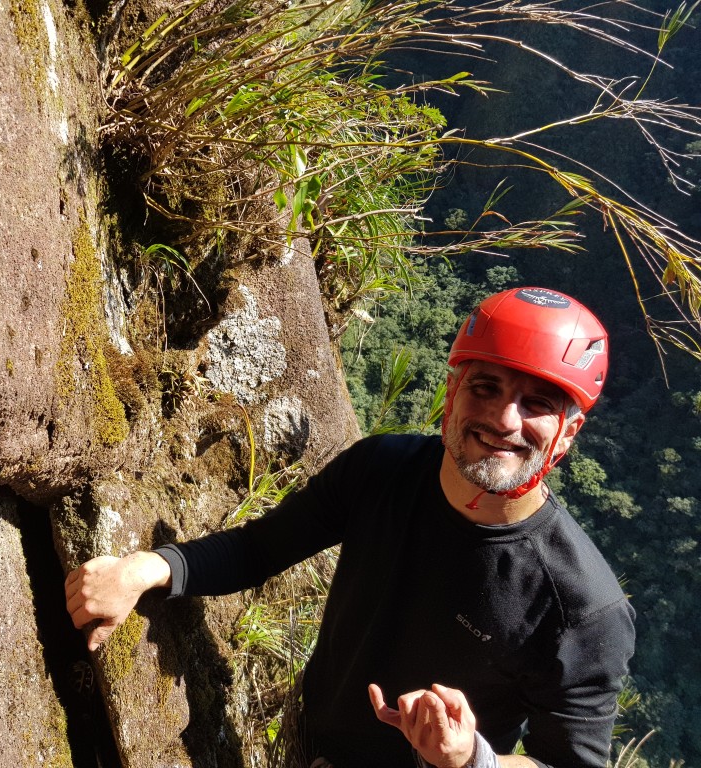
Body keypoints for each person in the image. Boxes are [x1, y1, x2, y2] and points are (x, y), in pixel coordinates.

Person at [65, 287, 635, 768]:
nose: (505, 420)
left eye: (537, 403)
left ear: (568, 432)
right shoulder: (382, 469)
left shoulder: (581, 609)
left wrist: (472, 758)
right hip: (309, 740)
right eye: (486, 387)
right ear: (453, 393)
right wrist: (147, 568)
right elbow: (261, 547)